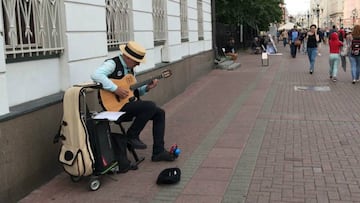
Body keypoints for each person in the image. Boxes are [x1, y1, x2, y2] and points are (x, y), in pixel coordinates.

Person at [91, 41, 176, 162]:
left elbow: (132, 91)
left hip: (127, 104)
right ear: (127, 57)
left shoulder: (130, 70)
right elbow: (96, 75)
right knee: (150, 106)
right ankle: (131, 136)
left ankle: (158, 151)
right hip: (115, 107)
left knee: (159, 113)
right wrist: (115, 89)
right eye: (136, 61)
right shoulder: (112, 64)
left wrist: (147, 88)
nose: (137, 65)